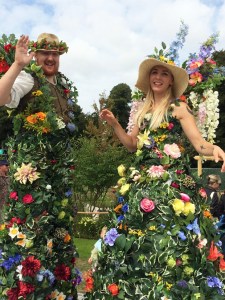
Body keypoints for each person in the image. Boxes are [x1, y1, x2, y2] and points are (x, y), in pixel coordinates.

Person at [84, 56, 225, 299]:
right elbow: (131, 145)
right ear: (149, 79)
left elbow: (199, 144)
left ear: (171, 81)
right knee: (137, 231)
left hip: (171, 186)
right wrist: (115, 123)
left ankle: (174, 286)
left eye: (164, 74)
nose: (158, 77)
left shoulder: (179, 108)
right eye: (154, 73)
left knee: (172, 233)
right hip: (141, 183)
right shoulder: (141, 109)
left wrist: (215, 149)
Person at [0, 34, 81, 299]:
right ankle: (24, 290)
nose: (50, 58)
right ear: (36, 55)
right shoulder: (27, 77)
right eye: (44, 52)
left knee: (58, 232)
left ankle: (55, 289)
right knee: (30, 231)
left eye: (54, 54)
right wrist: (17, 66)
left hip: (57, 174)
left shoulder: (61, 85)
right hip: (32, 175)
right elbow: (2, 98)